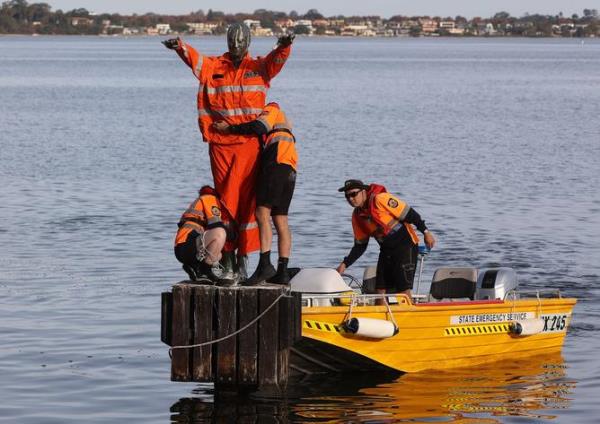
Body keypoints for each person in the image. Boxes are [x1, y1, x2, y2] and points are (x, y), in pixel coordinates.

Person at [163, 25, 294, 273]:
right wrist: (180, 47)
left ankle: (243, 257)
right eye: (233, 42)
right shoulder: (214, 67)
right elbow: (195, 59)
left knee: (248, 204)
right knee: (226, 202)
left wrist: (284, 46)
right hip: (221, 146)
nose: (236, 46)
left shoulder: (258, 68)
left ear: (248, 43)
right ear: (227, 42)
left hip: (249, 147)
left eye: (241, 42)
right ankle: (228, 255)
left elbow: (275, 62)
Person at [213, 102, 297, 284]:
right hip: (289, 166)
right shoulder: (284, 124)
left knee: (261, 212)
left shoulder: (272, 108)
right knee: (280, 219)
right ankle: (282, 271)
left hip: (276, 161)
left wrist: (230, 128)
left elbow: (260, 126)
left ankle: (264, 265)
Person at [335, 180, 436, 300]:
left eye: (353, 194)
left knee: (402, 287)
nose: (350, 199)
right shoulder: (357, 216)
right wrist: (345, 264)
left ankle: (408, 314)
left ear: (363, 191)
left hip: (405, 245)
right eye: (347, 196)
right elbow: (360, 246)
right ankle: (381, 316)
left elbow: (410, 214)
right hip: (386, 249)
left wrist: (425, 232)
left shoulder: (380, 199)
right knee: (380, 289)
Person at [174, 185, 233, 284]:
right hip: (187, 244)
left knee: (219, 254)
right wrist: (233, 234)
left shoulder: (199, 202)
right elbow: (217, 224)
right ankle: (206, 269)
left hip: (182, 247)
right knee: (220, 233)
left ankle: (195, 268)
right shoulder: (209, 198)